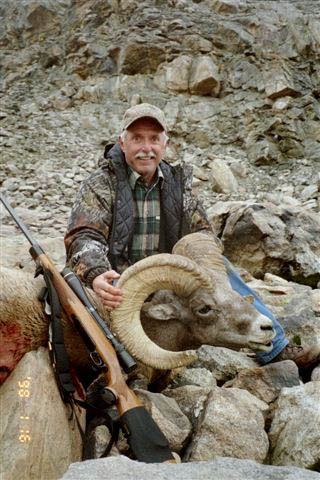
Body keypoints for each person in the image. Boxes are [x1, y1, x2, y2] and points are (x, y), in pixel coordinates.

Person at [65, 103, 320, 370]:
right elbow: (84, 235)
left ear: (165, 144)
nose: (146, 147)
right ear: (122, 141)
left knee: (223, 271)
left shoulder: (177, 184)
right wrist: (96, 273)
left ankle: (275, 347)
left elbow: (202, 233)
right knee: (91, 305)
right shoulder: (101, 183)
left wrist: (202, 261)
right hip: (119, 275)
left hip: (171, 278)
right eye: (137, 138)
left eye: (154, 139)